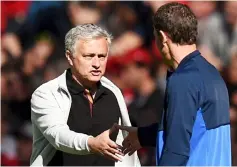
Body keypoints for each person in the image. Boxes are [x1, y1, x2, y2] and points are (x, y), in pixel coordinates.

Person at [115, 2, 231, 166]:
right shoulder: (210, 73)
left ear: (162, 37)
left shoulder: (183, 80)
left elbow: (177, 150)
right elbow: (193, 129)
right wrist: (142, 135)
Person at [30, 23, 140, 166]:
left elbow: (125, 150)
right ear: (70, 57)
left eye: (102, 56)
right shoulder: (47, 94)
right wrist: (91, 143)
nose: (97, 63)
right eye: (89, 56)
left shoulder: (113, 92)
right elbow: (58, 135)